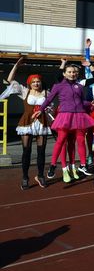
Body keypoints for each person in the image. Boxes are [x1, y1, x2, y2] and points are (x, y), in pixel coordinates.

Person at [35, 63, 94, 183]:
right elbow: (49, 99)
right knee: (61, 140)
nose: (72, 74)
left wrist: (89, 104)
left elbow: (80, 101)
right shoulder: (58, 86)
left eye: (74, 72)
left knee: (80, 140)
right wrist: (40, 110)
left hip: (79, 115)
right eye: (69, 72)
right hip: (65, 115)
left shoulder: (79, 86)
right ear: (64, 73)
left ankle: (83, 165)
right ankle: (53, 165)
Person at [6, 56, 52, 189]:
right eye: (34, 82)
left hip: (41, 123)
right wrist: (16, 66)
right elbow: (9, 80)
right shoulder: (24, 91)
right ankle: (25, 177)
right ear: (29, 83)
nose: (36, 83)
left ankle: (40, 175)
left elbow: (50, 108)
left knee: (41, 151)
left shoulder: (46, 93)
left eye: (38, 81)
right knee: (26, 151)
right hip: (26, 123)